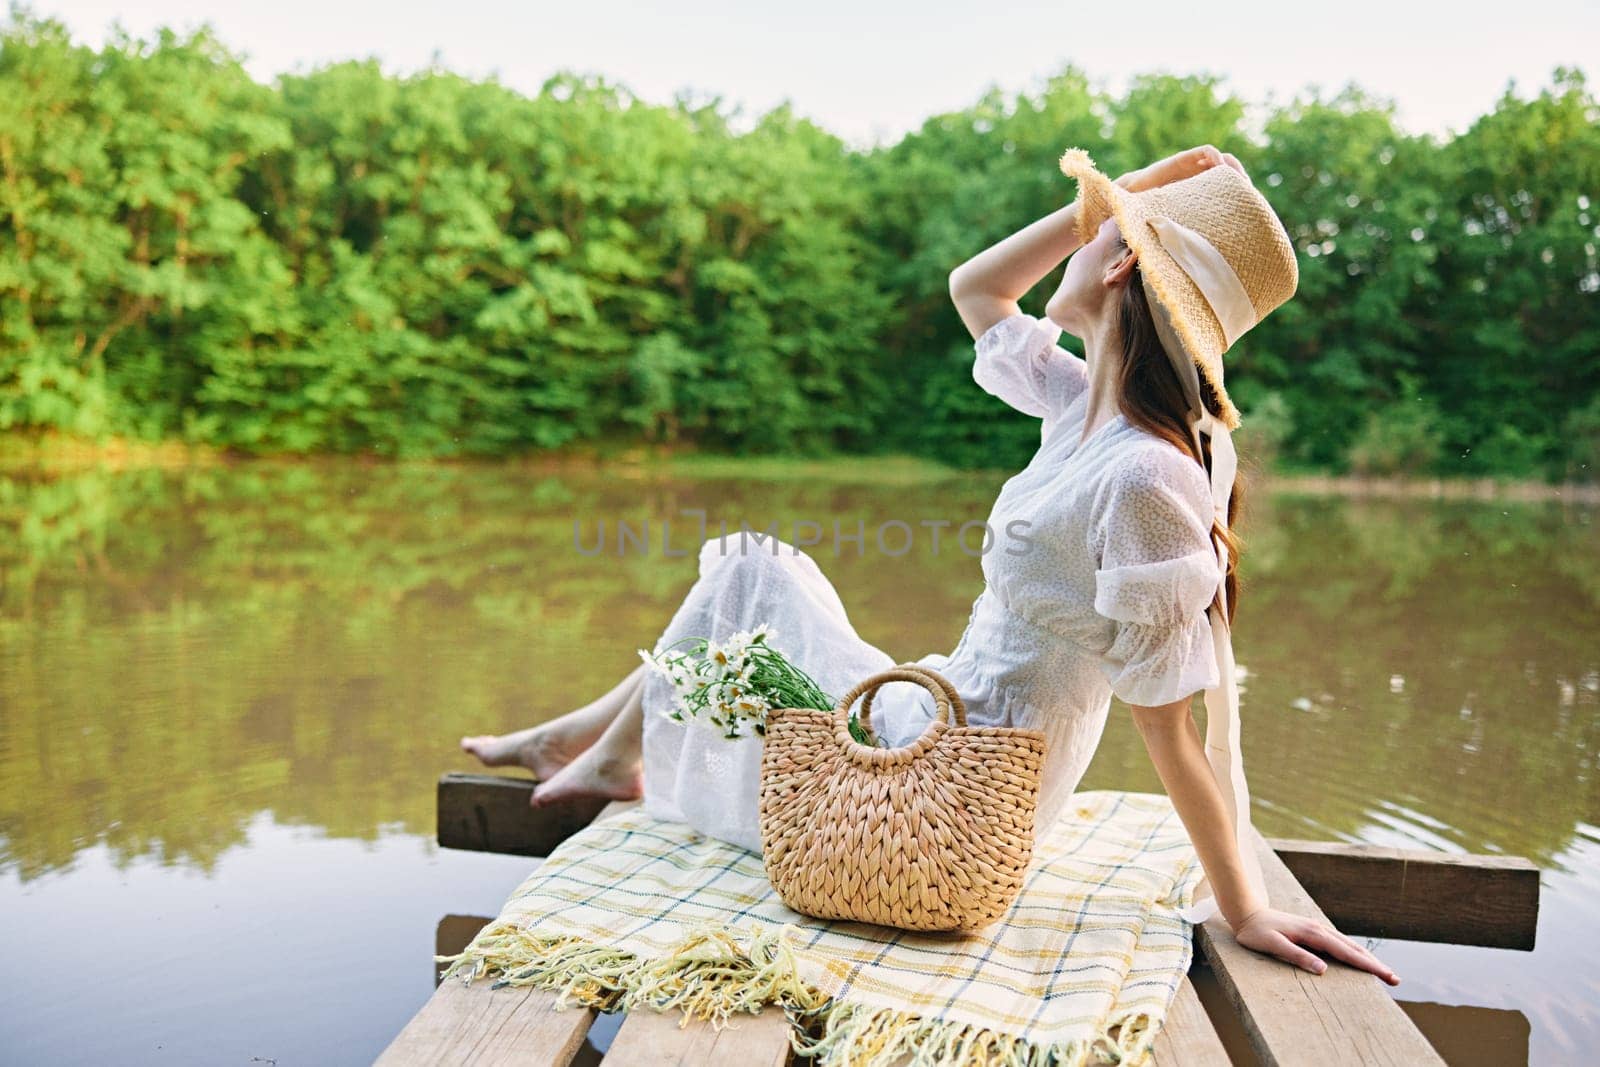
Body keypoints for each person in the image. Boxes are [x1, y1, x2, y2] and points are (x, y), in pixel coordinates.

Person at [462, 144, 1401, 986]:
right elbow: (976, 290)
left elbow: (1171, 729)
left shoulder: (1148, 474)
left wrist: (1244, 908)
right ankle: (599, 744)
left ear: (1117, 268)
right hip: (934, 714)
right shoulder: (1077, 408)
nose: (1075, 244)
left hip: (951, 797)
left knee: (752, 575)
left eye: (1096, 231)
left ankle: (597, 749)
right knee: (752, 572)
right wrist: (1124, 197)